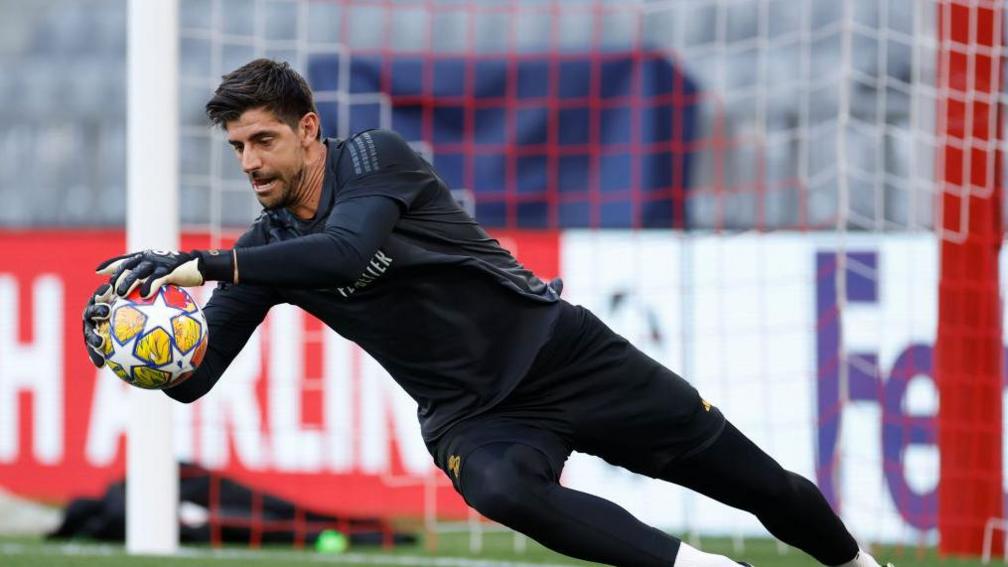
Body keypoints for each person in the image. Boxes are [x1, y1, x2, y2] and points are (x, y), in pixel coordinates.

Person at [82, 59, 891, 567]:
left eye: (262, 140)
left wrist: (203, 262)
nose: (250, 163)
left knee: (766, 488)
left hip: (563, 353)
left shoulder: (374, 160)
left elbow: (341, 249)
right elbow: (196, 378)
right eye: (237, 149)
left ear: (308, 129)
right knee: (502, 489)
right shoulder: (263, 250)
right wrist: (136, 349)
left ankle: (857, 563)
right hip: (475, 415)